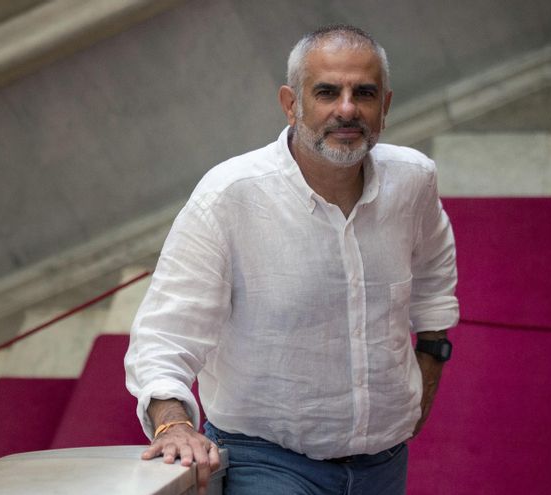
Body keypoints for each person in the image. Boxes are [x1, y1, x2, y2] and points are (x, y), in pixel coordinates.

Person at [125, 24, 458, 495]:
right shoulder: (229, 196)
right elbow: (164, 335)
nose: (347, 109)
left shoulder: (413, 181)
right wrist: (172, 424)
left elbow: (434, 284)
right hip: (264, 459)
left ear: (384, 106)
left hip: (384, 461)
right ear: (291, 104)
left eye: (364, 93)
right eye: (327, 92)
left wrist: (429, 367)